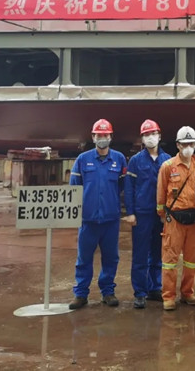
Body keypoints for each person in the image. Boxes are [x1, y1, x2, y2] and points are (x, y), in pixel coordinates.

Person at [68, 118, 128, 309]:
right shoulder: (82, 160)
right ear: (93, 137)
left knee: (111, 258)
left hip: (110, 220)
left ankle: (108, 292)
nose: (102, 138)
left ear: (111, 137)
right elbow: (74, 188)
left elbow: (122, 185)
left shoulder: (119, 159)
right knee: (84, 258)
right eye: (99, 135)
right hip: (88, 220)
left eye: (105, 135)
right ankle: (81, 294)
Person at [156, 125, 195, 311]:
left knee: (191, 259)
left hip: (194, 220)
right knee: (170, 259)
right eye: (185, 144)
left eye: (191, 144)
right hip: (174, 220)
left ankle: (187, 292)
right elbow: (161, 193)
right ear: (178, 145)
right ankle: (168, 296)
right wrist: (163, 215)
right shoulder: (168, 167)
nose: (188, 147)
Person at [124, 119, 171, 309]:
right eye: (146, 135)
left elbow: (172, 188)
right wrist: (130, 213)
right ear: (142, 138)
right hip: (142, 214)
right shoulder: (135, 161)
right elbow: (129, 188)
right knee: (140, 254)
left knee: (158, 253)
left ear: (159, 136)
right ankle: (140, 293)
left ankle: (155, 288)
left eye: (153, 134)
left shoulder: (167, 160)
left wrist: (168, 213)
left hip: (160, 215)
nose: (150, 137)